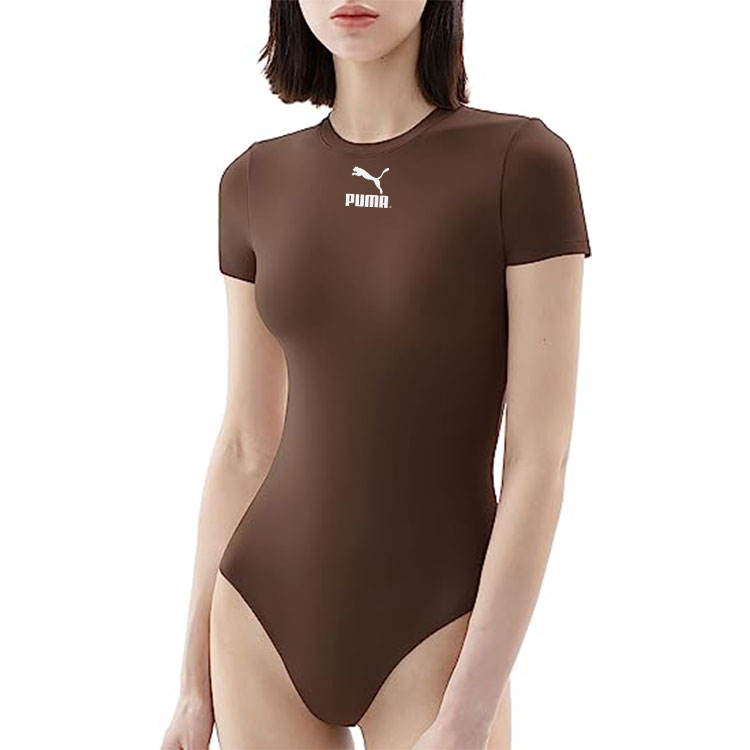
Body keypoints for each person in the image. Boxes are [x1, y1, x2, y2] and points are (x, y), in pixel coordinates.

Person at [162, 1, 592, 748]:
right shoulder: (253, 181)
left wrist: (470, 710)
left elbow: (537, 462)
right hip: (259, 618)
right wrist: (191, 688)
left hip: (437, 633)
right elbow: (245, 444)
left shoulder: (522, 166)